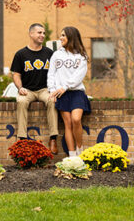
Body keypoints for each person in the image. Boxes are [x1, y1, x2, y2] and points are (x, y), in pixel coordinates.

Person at [10, 23, 59, 154]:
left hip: (44, 89)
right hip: (28, 90)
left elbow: (56, 72)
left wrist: (53, 89)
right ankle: (22, 139)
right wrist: (20, 88)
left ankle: (53, 138)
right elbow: (16, 74)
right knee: (21, 101)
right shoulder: (21, 54)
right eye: (39, 33)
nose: (42, 35)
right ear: (31, 34)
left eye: (43, 33)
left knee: (51, 101)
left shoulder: (49, 53)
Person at [47, 26, 91, 157]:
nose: (60, 38)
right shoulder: (56, 54)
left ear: (71, 37)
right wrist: (52, 91)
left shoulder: (82, 56)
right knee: (68, 124)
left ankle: (79, 149)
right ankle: (72, 157)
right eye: (60, 35)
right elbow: (51, 74)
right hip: (61, 94)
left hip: (76, 92)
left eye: (63, 36)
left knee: (76, 120)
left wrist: (65, 86)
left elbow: (78, 76)